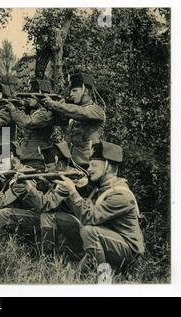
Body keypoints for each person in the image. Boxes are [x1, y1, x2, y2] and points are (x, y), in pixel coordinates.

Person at [52, 141, 145, 270]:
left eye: (94, 165)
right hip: (109, 239)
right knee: (76, 274)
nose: (89, 169)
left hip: (128, 250)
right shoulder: (100, 188)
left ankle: (103, 277)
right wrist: (68, 192)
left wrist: (73, 191)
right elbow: (82, 212)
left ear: (108, 167)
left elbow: (89, 218)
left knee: (88, 231)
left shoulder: (120, 194)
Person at [42, 72, 106, 167]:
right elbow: (51, 120)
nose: (71, 94)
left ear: (86, 91)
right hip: (73, 164)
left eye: (74, 90)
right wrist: (51, 107)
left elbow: (80, 112)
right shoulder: (73, 111)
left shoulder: (97, 111)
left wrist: (57, 105)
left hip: (90, 164)